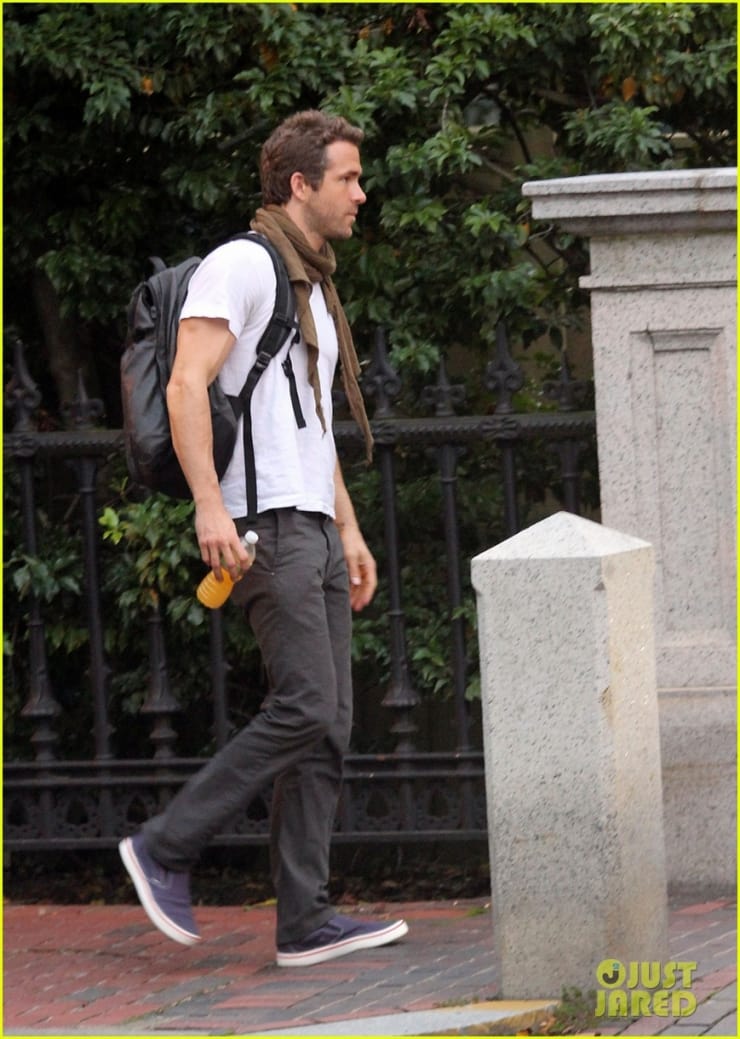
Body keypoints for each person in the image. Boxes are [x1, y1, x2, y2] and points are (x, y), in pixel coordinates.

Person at [119, 111, 408, 967]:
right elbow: (186, 383)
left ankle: (305, 920)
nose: (361, 193)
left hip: (310, 521)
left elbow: (310, 421)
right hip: (261, 524)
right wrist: (209, 507)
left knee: (328, 725)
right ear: (300, 184)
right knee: (306, 704)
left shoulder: (312, 285)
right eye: (348, 177)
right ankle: (163, 845)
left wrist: (348, 527)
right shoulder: (243, 265)